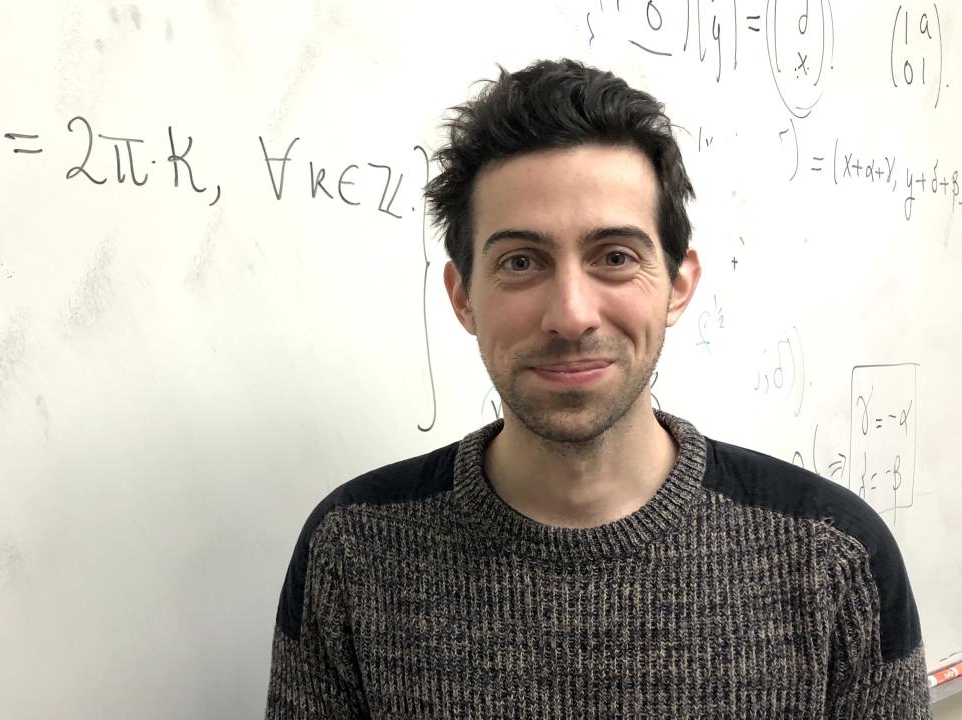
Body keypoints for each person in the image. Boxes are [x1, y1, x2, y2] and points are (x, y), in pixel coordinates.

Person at [263, 58, 930, 718]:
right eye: (520, 262)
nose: (572, 314)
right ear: (463, 297)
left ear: (678, 285)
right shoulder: (352, 550)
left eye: (615, 257)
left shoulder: (834, 558)